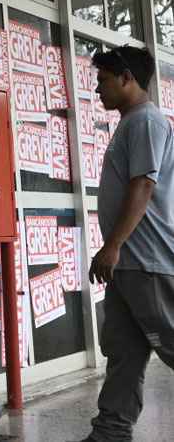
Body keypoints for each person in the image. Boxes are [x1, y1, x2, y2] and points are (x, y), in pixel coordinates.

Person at [76, 46, 174, 442]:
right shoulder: (132, 122)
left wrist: (112, 245)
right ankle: (110, 433)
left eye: (102, 80)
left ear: (126, 78)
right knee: (124, 351)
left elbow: (144, 185)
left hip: (145, 260)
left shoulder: (147, 122)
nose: (97, 88)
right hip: (127, 263)